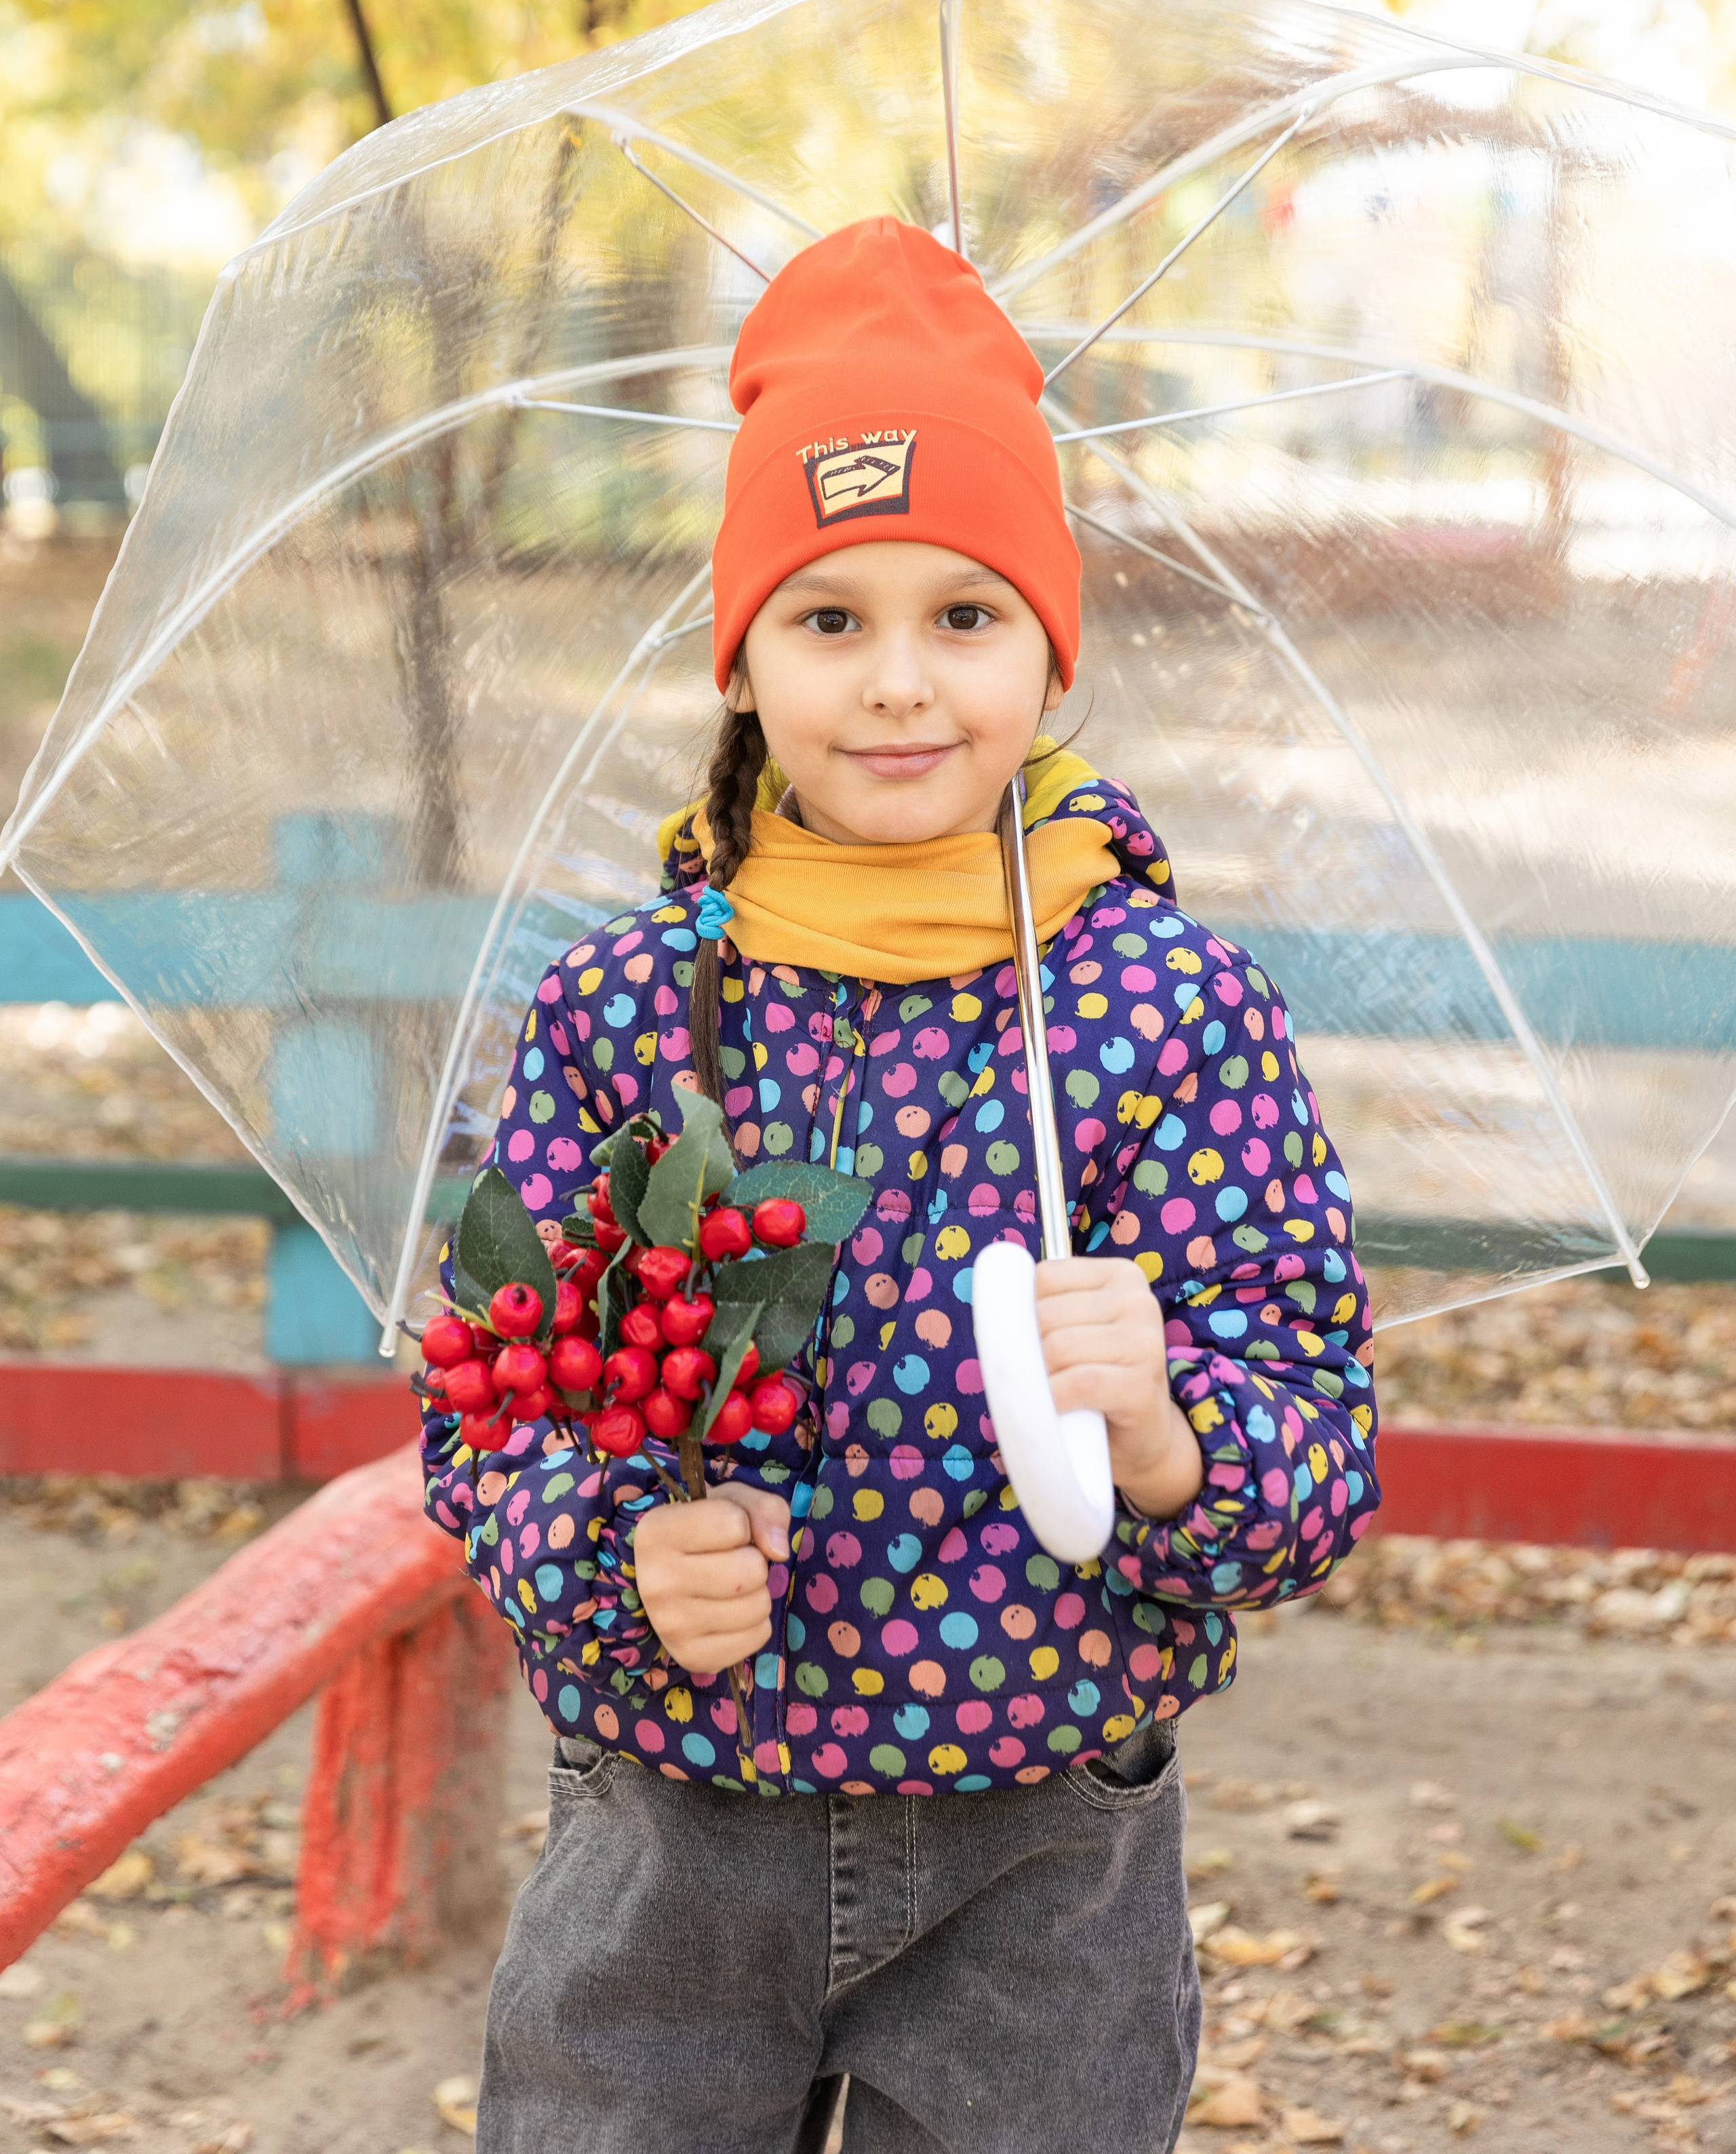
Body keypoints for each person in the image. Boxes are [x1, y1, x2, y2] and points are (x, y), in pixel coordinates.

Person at [419, 218, 1379, 2154]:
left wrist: (1180, 1434)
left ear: (1048, 644)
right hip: (672, 1835)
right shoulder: (632, 1012)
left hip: (1045, 1859)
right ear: (746, 655)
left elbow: (1318, 1460)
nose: (898, 684)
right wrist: (613, 1568)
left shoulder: (1164, 1009)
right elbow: (485, 1407)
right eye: (830, 617)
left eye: (966, 614)